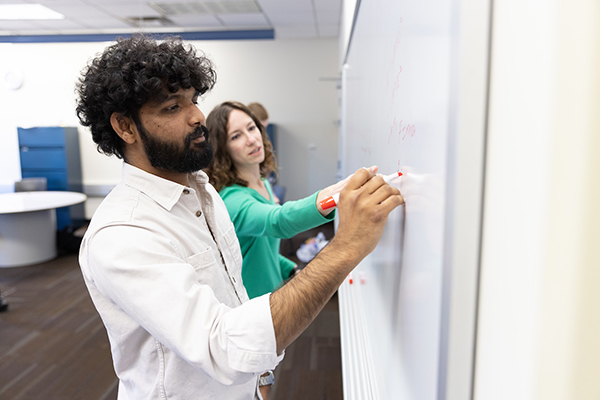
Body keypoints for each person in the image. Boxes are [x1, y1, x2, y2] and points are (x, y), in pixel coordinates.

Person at [75, 34, 403, 400]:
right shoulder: (123, 233)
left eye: (194, 101)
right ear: (125, 127)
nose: (197, 116)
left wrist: (260, 377)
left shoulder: (203, 192)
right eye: (172, 108)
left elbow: (232, 290)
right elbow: (223, 348)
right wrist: (346, 247)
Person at [203, 101, 345, 299]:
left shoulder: (262, 183)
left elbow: (260, 249)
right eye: (236, 136)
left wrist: (290, 268)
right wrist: (335, 199)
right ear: (222, 149)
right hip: (250, 307)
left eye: (252, 128)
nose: (252, 139)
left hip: (273, 296)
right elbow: (278, 221)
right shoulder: (232, 200)